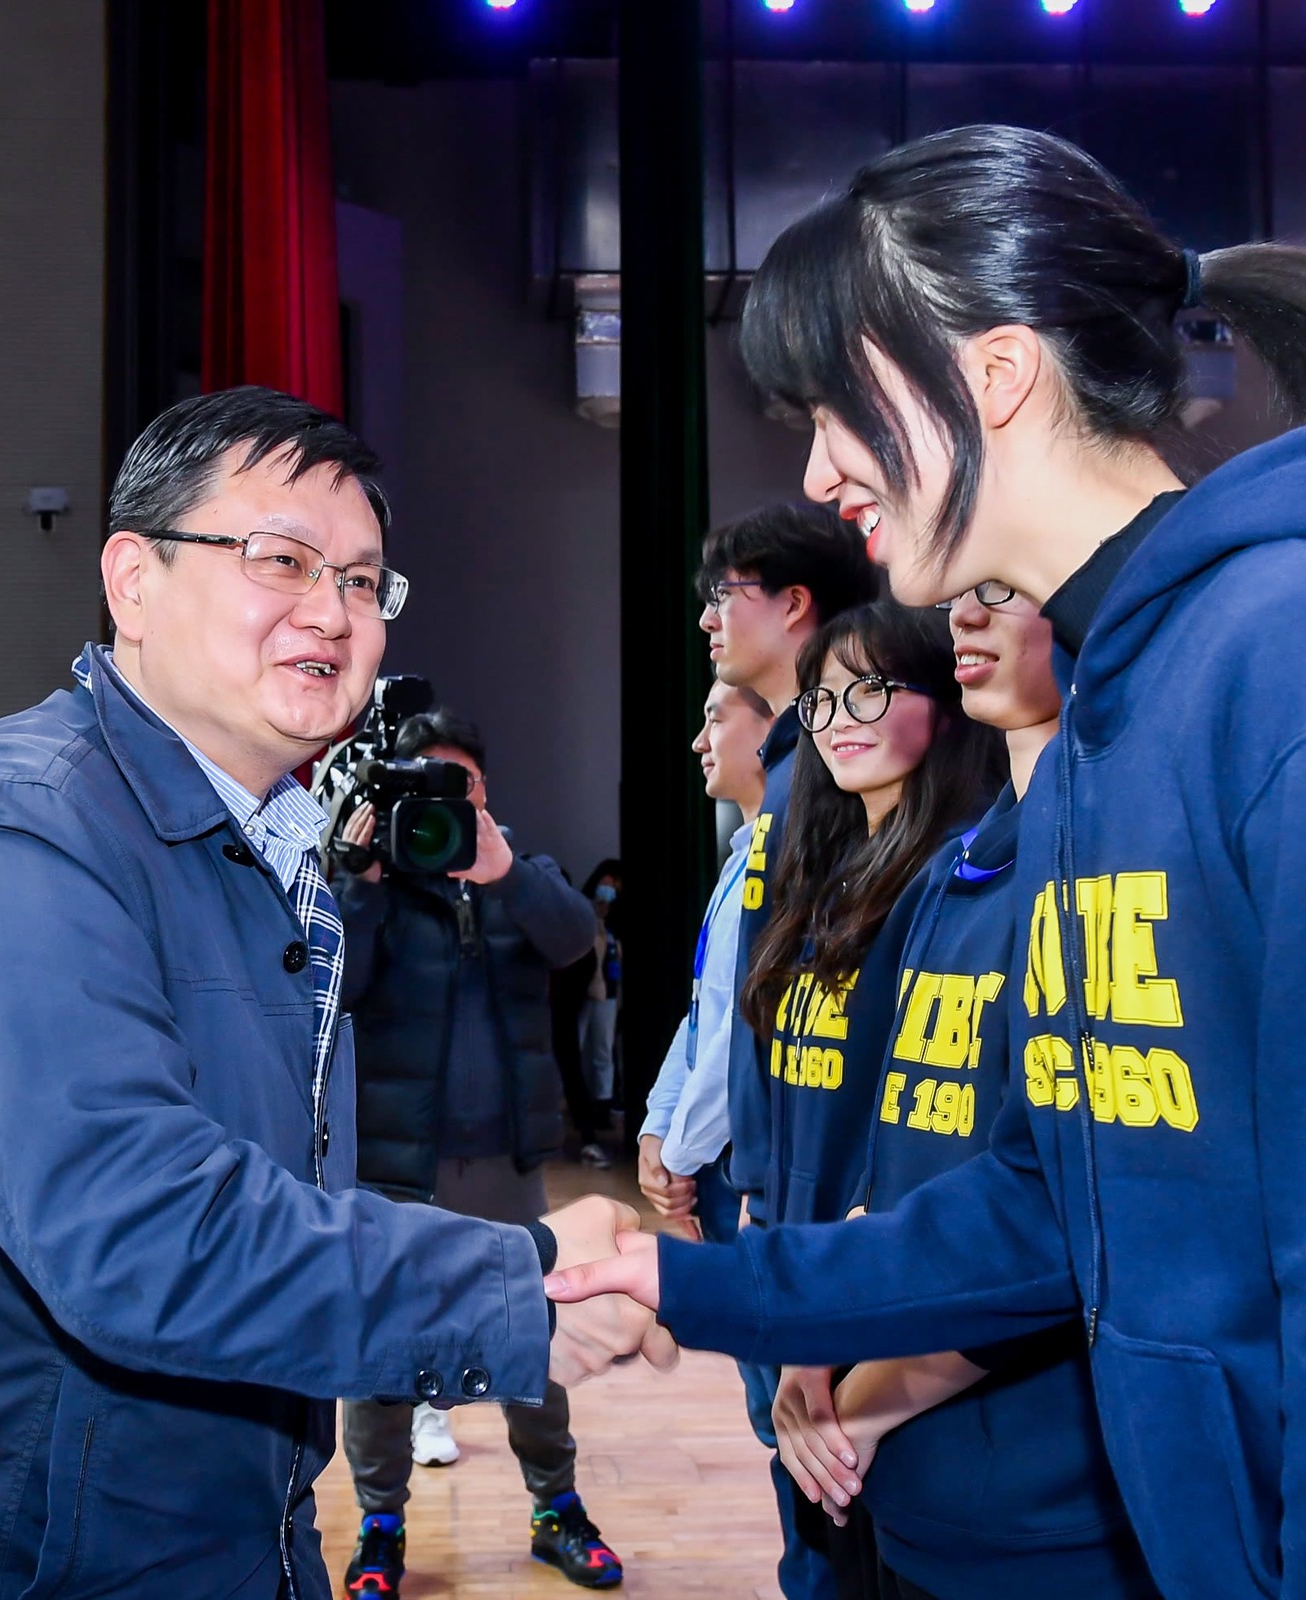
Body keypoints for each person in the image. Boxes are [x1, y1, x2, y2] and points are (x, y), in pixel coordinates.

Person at [545, 123, 1306, 1600]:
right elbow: (1044, 1202)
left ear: (995, 372)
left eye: (837, 406)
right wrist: (690, 1280)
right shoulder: (1096, 723)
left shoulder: (1266, 657)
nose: (819, 466)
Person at [0, 387, 672, 1599]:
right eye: (279, 560)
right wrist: (513, 1286)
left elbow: (273, 1196)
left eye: (361, 581)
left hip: (217, 1536)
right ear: (132, 581)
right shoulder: (17, 827)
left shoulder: (269, 847)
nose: (330, 611)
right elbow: (137, 1230)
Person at [775, 586, 1152, 1599]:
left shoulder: (1116, 857)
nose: (966, 620)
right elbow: (887, 1157)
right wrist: (823, 1323)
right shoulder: (951, 875)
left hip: (1044, 1485)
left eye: (1000, 589)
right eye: (960, 597)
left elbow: (1058, 1215)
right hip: (913, 1457)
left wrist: (868, 1387)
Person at [329, 708, 618, 1594]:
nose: (448, 803)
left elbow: (574, 943)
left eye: (462, 784)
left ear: (485, 791)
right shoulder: (377, 883)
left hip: (504, 1159)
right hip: (397, 1164)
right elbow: (335, 983)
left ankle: (556, 1509)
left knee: (529, 1335)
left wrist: (505, 877)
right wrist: (360, 881)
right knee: (382, 1348)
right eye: (427, 784)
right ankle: (380, 1524)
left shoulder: (523, 874)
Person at [748, 602, 1004, 1593]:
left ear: (943, 701)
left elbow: (921, 1144)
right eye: (818, 698)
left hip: (889, 1303)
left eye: (867, 689)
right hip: (806, 1282)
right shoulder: (823, 877)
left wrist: (828, 1325)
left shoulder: (954, 884)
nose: (836, 719)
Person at [696, 502, 880, 1600]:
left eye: (722, 595)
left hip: (829, 1195)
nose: (707, 621)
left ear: (792, 603)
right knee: (797, 1459)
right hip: (780, 1183)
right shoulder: (789, 764)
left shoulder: (835, 767)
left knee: (830, 1472)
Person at [637, 679, 776, 1244]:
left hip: (743, 1157)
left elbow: (744, 1026)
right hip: (713, 1155)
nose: (699, 741)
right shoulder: (739, 860)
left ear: (774, 729)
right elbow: (703, 1011)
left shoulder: (788, 863)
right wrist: (660, 1127)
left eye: (715, 719)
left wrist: (680, 1151)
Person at [549, 863, 624, 1169]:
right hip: (559, 1005)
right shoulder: (574, 919)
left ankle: (589, 1132)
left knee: (582, 1061)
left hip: (576, 1002)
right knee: (568, 1065)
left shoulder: (585, 922)